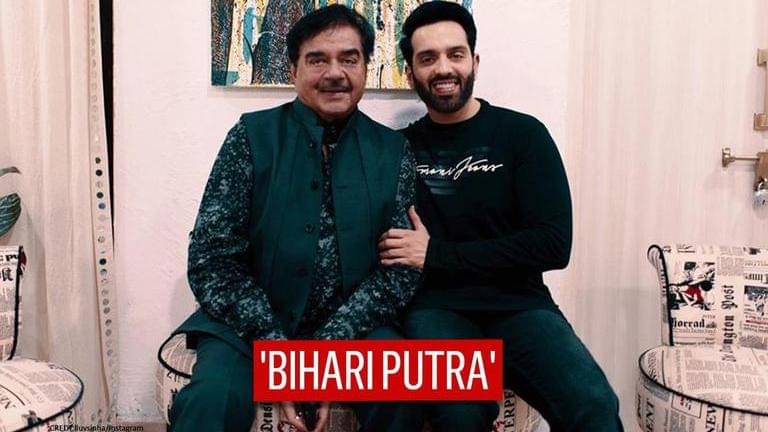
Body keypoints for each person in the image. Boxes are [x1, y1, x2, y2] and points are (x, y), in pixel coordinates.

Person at [166, 5, 420, 432]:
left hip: (356, 329)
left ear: (365, 67)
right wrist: (277, 351)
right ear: (293, 69)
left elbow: (400, 272)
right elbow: (211, 260)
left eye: (349, 59)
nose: (334, 73)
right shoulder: (250, 138)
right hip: (249, 328)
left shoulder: (394, 152)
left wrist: (331, 347)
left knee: (402, 394)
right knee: (213, 399)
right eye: (317, 60)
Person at [377, 2, 623, 431]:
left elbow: (552, 245)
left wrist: (436, 254)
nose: (443, 68)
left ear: (474, 61)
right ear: (411, 74)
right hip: (437, 309)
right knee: (459, 414)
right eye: (428, 58)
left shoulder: (522, 135)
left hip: (519, 305)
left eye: (455, 54)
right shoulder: (396, 150)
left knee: (594, 404)